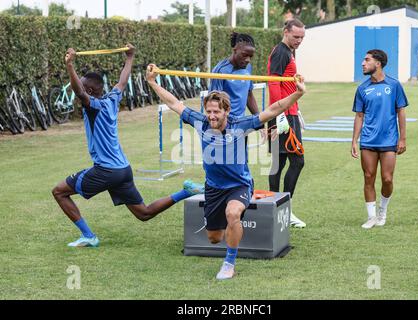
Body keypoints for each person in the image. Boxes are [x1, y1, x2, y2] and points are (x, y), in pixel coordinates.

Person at [146, 63, 306, 280]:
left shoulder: (240, 124)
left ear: (226, 111)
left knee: (232, 214)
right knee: (214, 237)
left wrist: (298, 92)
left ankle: (229, 263)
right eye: (209, 111)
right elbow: (174, 103)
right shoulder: (200, 122)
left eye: (216, 112)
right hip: (213, 187)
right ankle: (217, 214)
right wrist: (152, 82)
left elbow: (273, 109)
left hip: (239, 185)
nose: (212, 116)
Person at [52, 44, 204, 247]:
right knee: (144, 213)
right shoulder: (112, 99)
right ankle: (186, 191)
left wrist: (70, 65)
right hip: (122, 170)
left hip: (105, 170)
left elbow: (79, 92)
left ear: (89, 90)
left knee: (59, 192)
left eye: (80, 83)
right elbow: (122, 82)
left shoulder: (94, 107)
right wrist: (130, 57)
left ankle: (89, 236)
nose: (76, 85)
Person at [351, 49, 408, 229]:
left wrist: (403, 138)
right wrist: (354, 140)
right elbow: (359, 116)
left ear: (378, 63)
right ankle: (371, 217)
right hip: (368, 140)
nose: (363, 63)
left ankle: (383, 211)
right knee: (368, 177)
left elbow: (401, 111)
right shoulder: (362, 88)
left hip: (389, 140)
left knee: (387, 179)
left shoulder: (394, 85)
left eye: (367, 60)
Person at [267, 19, 307, 228]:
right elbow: (273, 82)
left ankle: (276, 210)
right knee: (296, 162)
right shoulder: (281, 52)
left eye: (302, 37)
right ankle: (282, 208)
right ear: (285, 32)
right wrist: (279, 114)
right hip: (283, 115)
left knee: (280, 163)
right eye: (295, 37)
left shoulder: (288, 51)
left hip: (288, 112)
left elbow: (286, 83)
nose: (299, 40)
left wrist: (296, 108)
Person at [210, 32, 259, 117]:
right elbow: (213, 102)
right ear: (235, 50)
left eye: (250, 56)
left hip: (240, 123)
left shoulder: (247, 67)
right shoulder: (220, 70)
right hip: (224, 123)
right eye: (244, 55)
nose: (248, 60)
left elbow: (249, 95)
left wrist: (259, 120)